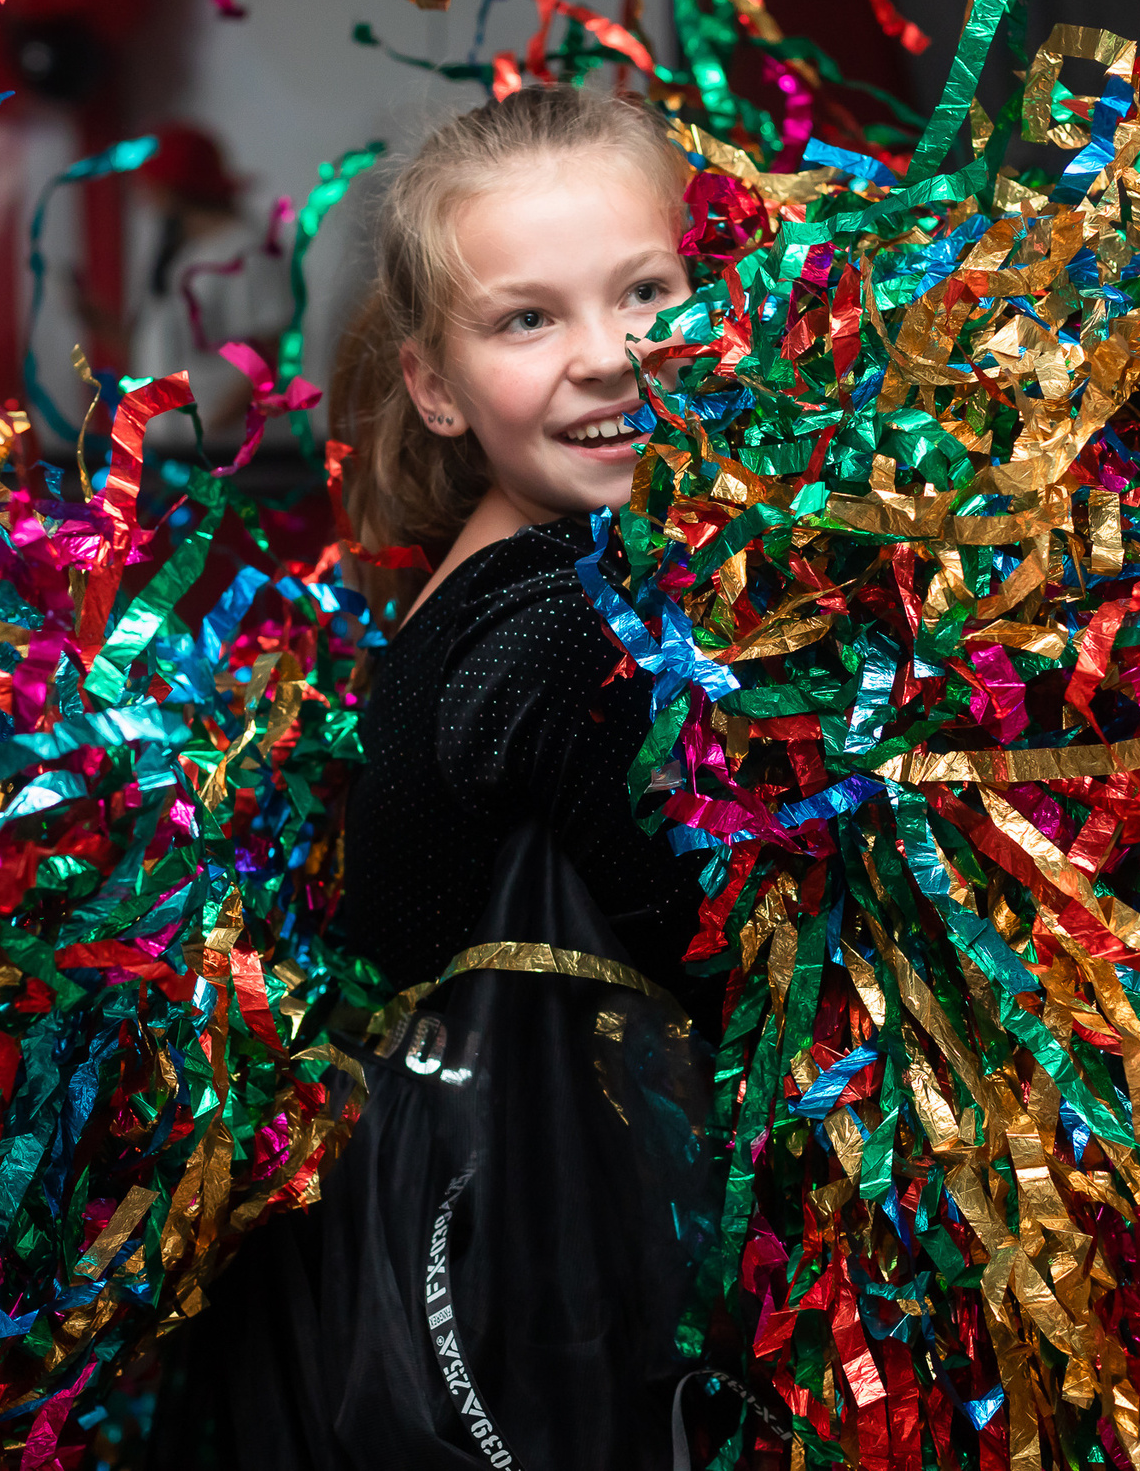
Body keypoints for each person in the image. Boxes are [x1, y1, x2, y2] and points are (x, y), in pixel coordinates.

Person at [150, 85, 724, 1470]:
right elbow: (745, 973)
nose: (611, 357)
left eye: (647, 292)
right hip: (525, 1323)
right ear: (433, 387)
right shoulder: (565, 631)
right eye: (527, 319)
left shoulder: (492, 585)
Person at [125, 124, 296, 459]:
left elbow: (270, 355)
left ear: (170, 189)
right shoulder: (189, 256)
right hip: (186, 452)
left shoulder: (248, 252)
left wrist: (210, 437)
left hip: (233, 457)